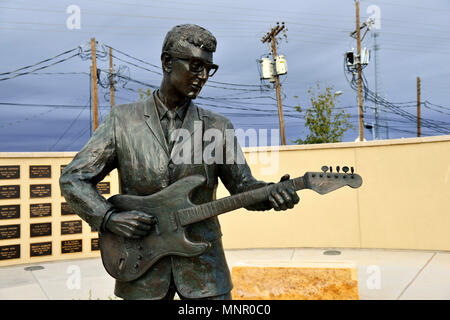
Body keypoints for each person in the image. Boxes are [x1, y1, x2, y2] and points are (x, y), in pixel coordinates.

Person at [60, 24, 299, 300]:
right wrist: (108, 218)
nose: (203, 76)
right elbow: (73, 179)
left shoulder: (218, 127)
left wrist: (271, 195)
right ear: (166, 62)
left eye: (209, 68)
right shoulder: (122, 121)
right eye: (196, 66)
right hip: (140, 270)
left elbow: (243, 187)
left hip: (205, 273)